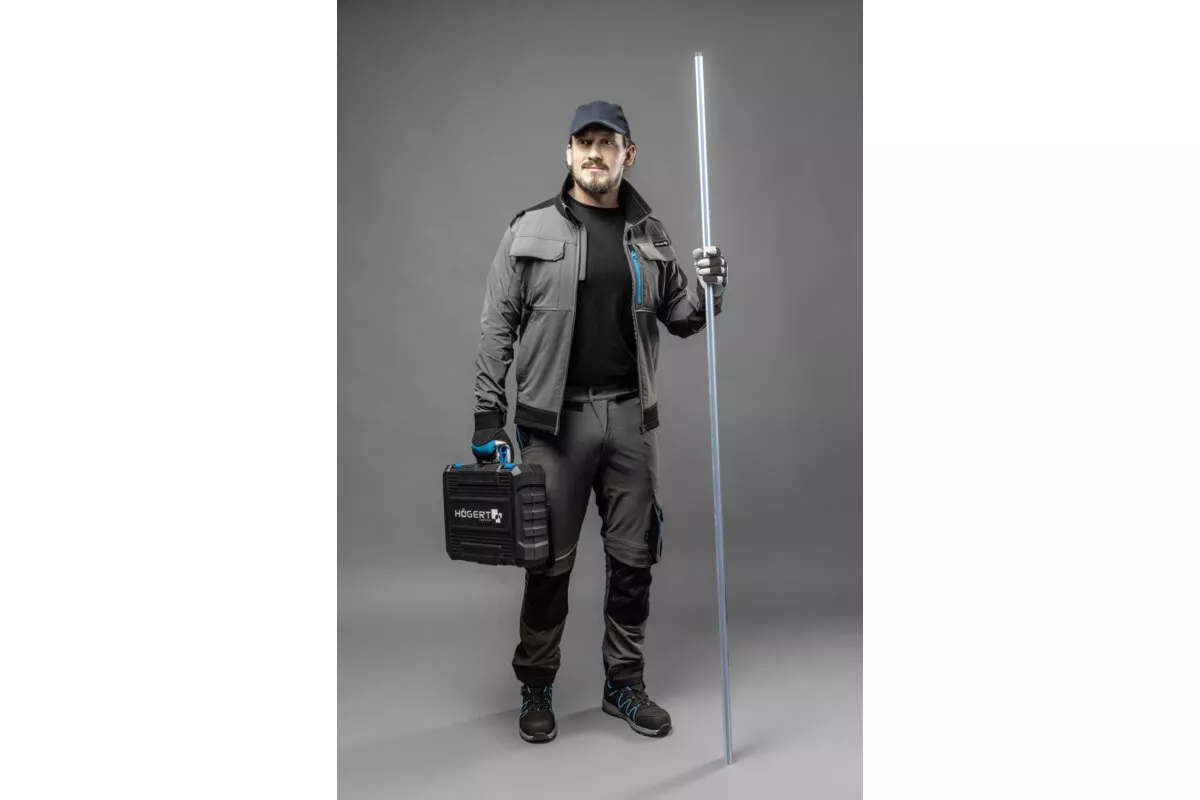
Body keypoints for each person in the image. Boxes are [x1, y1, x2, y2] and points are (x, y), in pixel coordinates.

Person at [469, 100, 729, 744]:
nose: (593, 153)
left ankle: (624, 685)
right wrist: (487, 417)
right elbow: (497, 325)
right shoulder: (528, 229)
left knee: (634, 559)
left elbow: (683, 317)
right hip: (552, 425)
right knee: (547, 563)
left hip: (629, 419)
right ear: (568, 152)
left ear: (627, 155)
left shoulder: (650, 234)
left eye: (606, 143)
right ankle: (536, 685)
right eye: (583, 142)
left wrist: (711, 290)